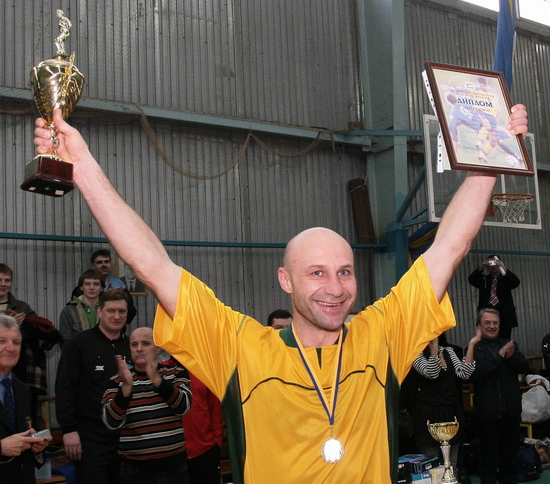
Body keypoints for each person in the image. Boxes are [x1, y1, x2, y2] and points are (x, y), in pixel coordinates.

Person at [34, 106, 528, 484]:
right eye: (316, 273)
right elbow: (153, 264)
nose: (335, 288)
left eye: (344, 272)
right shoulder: (240, 348)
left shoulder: (383, 334)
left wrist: (491, 158)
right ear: (285, 281)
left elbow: (451, 245)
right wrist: (84, 167)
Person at [55, 288, 132, 484]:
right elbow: (64, 387)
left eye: (121, 311)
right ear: (99, 311)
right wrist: (68, 430)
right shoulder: (78, 343)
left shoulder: (132, 346)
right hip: (90, 438)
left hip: (126, 438)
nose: (116, 316)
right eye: (111, 311)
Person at [102, 327, 192, 484]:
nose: (139, 349)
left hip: (174, 467)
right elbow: (111, 422)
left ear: (157, 348)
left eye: (145, 343)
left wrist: (157, 380)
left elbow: (183, 406)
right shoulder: (118, 381)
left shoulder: (175, 373)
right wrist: (126, 389)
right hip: (135, 470)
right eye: (134, 344)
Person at [469, 308, 529, 484]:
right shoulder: (474, 348)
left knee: (510, 461)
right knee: (488, 462)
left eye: (495, 323)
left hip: (510, 413)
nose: (492, 326)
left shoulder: (509, 344)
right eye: (487, 322)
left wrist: (511, 356)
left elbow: (524, 367)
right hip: (487, 415)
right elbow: (475, 374)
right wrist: (499, 356)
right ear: (479, 326)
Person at [411, 330, 479, 474]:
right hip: (429, 413)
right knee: (431, 464)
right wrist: (434, 350)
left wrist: (472, 345)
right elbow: (431, 373)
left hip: (451, 411)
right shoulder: (415, 354)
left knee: (452, 463)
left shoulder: (448, 350)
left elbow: (464, 373)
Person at [0, 264, 63, 417]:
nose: (3, 284)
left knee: (24, 413)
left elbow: (42, 335)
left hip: (22, 371)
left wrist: (24, 325)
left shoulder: (22, 307)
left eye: (7, 280)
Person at [0, 315, 52, 484]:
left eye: (16, 342)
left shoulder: (22, 389)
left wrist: (35, 445)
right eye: (1, 341)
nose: (11, 348)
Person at [71, 249, 137, 324]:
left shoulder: (119, 284)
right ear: (93, 266)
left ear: (111, 264)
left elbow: (131, 314)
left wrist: (119, 296)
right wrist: (108, 295)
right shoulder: (83, 287)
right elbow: (75, 311)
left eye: (106, 261)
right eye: (99, 262)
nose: (104, 265)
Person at [468, 255, 520, 339]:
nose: (493, 266)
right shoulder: (485, 279)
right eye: (491, 263)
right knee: (486, 337)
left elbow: (516, 282)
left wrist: (504, 268)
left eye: (495, 263)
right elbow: (472, 279)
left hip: (504, 312)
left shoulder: (505, 278)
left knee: (504, 338)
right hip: (487, 310)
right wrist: (481, 268)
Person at [59, 269, 105, 342]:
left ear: (102, 288)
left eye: (96, 284)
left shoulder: (108, 309)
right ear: (81, 287)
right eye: (87, 284)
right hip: (78, 349)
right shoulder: (69, 311)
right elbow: (65, 340)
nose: (91, 288)